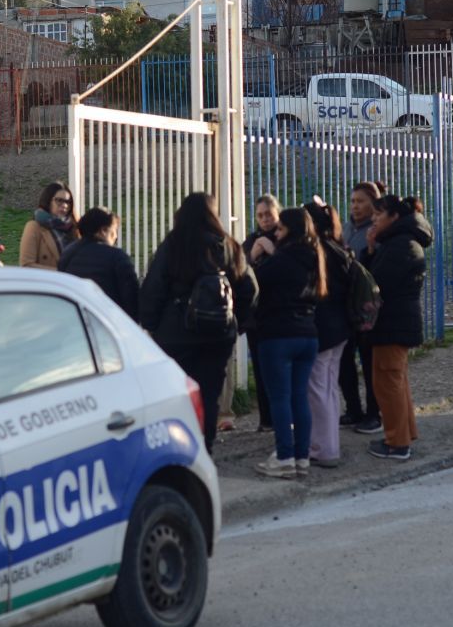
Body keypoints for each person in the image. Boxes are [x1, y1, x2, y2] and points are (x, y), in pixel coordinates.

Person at [139, 192, 257, 454]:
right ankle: (205, 448)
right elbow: (250, 288)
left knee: (178, 394)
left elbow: (154, 287)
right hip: (218, 333)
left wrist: (153, 325)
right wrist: (240, 322)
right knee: (210, 393)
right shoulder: (227, 245)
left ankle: (180, 447)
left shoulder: (174, 245)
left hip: (176, 333)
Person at [252, 208, 326, 478]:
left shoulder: (281, 259)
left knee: (279, 398)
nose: (276, 233)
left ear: (290, 231)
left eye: (280, 229)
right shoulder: (315, 257)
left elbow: (255, 285)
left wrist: (256, 257)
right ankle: (302, 456)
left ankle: (284, 456)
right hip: (307, 334)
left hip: (278, 334)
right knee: (299, 398)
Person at [362, 194, 433, 460]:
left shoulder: (402, 245)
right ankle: (405, 433)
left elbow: (377, 284)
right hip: (395, 322)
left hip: (393, 322)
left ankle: (397, 443)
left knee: (388, 383)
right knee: (395, 381)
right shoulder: (397, 242)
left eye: (378, 215)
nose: (373, 221)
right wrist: (370, 249)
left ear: (394, 217)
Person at [304, 199, 351, 468]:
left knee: (318, 389)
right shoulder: (338, 247)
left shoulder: (317, 250)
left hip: (323, 327)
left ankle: (323, 449)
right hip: (340, 327)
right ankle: (329, 442)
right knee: (329, 389)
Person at [339, 181, 384, 433]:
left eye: (361, 201)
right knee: (345, 362)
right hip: (346, 306)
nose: (355, 206)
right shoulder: (347, 229)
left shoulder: (376, 231)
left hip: (368, 307)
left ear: (373, 204)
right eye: (353, 201)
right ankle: (353, 409)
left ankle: (373, 413)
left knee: (369, 363)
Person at [58, 207, 140, 320]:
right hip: (108, 323)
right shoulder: (117, 257)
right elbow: (131, 299)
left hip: (74, 321)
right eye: (114, 230)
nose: (116, 236)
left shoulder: (67, 253)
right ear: (103, 231)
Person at [242, 193, 281, 432]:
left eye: (268, 214)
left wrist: (272, 250)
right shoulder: (252, 240)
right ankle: (266, 419)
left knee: (277, 368)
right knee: (260, 367)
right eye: (260, 215)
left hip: (278, 313)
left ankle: (280, 418)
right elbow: (241, 268)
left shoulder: (284, 236)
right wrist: (254, 255)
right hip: (257, 315)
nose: (265, 219)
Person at [20, 181, 78, 269]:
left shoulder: (74, 227)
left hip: (74, 281)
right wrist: (61, 273)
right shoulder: (34, 227)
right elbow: (27, 265)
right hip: (48, 281)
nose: (64, 205)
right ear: (48, 201)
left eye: (68, 202)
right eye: (59, 201)